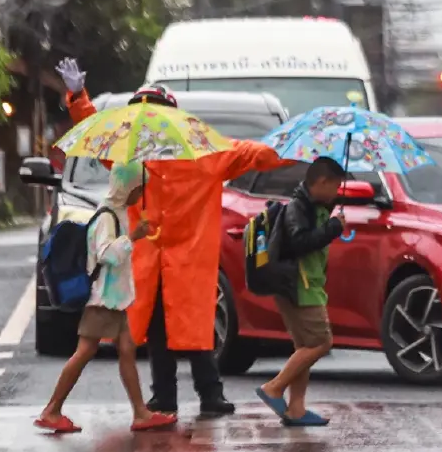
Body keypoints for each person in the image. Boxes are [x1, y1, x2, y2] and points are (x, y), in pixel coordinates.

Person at [55, 58, 288, 417]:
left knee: (188, 332)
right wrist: (77, 96)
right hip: (158, 262)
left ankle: (188, 395)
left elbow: (255, 154)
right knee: (170, 332)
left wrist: (287, 151)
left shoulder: (159, 158)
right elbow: (255, 154)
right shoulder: (157, 158)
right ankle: (186, 396)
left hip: (176, 262)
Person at [35, 163, 178, 434]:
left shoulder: (118, 213)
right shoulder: (106, 216)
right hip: (103, 300)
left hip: (116, 299)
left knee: (127, 349)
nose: (141, 194)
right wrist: (132, 238)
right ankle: (52, 410)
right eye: (139, 188)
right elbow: (106, 254)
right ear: (128, 188)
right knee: (86, 351)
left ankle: (140, 413)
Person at [256, 157, 346, 426]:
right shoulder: (298, 208)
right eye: (336, 186)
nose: (337, 192)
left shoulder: (313, 203)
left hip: (307, 284)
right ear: (321, 182)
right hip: (301, 286)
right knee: (321, 342)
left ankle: (296, 408)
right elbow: (300, 242)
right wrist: (333, 228)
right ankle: (274, 387)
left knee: (304, 346)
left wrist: (331, 219)